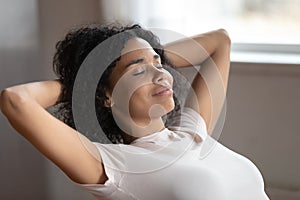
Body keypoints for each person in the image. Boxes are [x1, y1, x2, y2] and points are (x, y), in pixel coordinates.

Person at [0, 23, 270, 200]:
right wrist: (89, 80)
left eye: (160, 64)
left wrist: (145, 58)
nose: (162, 75)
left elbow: (219, 42)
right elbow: (15, 100)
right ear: (106, 95)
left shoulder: (191, 130)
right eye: (139, 70)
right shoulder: (114, 166)